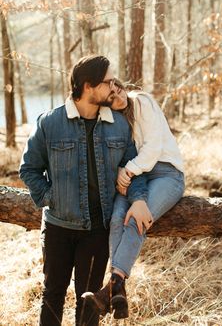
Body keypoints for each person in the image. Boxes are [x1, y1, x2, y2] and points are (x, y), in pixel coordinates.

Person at [19, 56, 149, 326]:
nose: (114, 87)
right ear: (88, 86)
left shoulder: (119, 126)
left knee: (88, 301)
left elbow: (133, 170)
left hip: (97, 231)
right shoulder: (49, 123)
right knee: (52, 294)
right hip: (58, 228)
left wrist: (138, 200)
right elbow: (29, 169)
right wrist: (50, 199)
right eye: (108, 82)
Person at [82, 79, 185, 319]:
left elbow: (152, 148)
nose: (118, 96)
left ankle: (111, 288)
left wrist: (126, 171)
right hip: (139, 177)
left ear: (121, 86)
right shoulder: (114, 120)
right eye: (111, 97)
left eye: (118, 90)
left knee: (134, 219)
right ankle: (117, 291)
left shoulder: (142, 102)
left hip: (167, 174)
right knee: (117, 218)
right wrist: (125, 171)